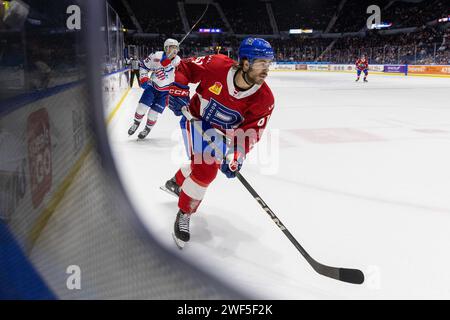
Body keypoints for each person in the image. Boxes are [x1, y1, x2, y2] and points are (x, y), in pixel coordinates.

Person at [164, 37, 275, 248]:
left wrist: (237, 155)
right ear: (245, 62)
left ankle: (176, 182)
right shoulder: (216, 66)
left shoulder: (264, 99)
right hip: (196, 120)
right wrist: (178, 87)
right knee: (206, 171)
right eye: (261, 63)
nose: (266, 69)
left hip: (223, 134)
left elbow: (251, 132)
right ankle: (185, 212)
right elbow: (185, 68)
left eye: (268, 63)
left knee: (204, 165)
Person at [128, 38, 181, 139]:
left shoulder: (178, 61)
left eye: (176, 48)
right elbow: (144, 66)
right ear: (166, 48)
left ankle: (147, 128)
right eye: (172, 48)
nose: (175, 51)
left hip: (166, 93)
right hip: (152, 87)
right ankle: (136, 123)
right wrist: (143, 78)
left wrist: (168, 65)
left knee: (153, 114)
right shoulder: (156, 55)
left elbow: (174, 73)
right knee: (141, 108)